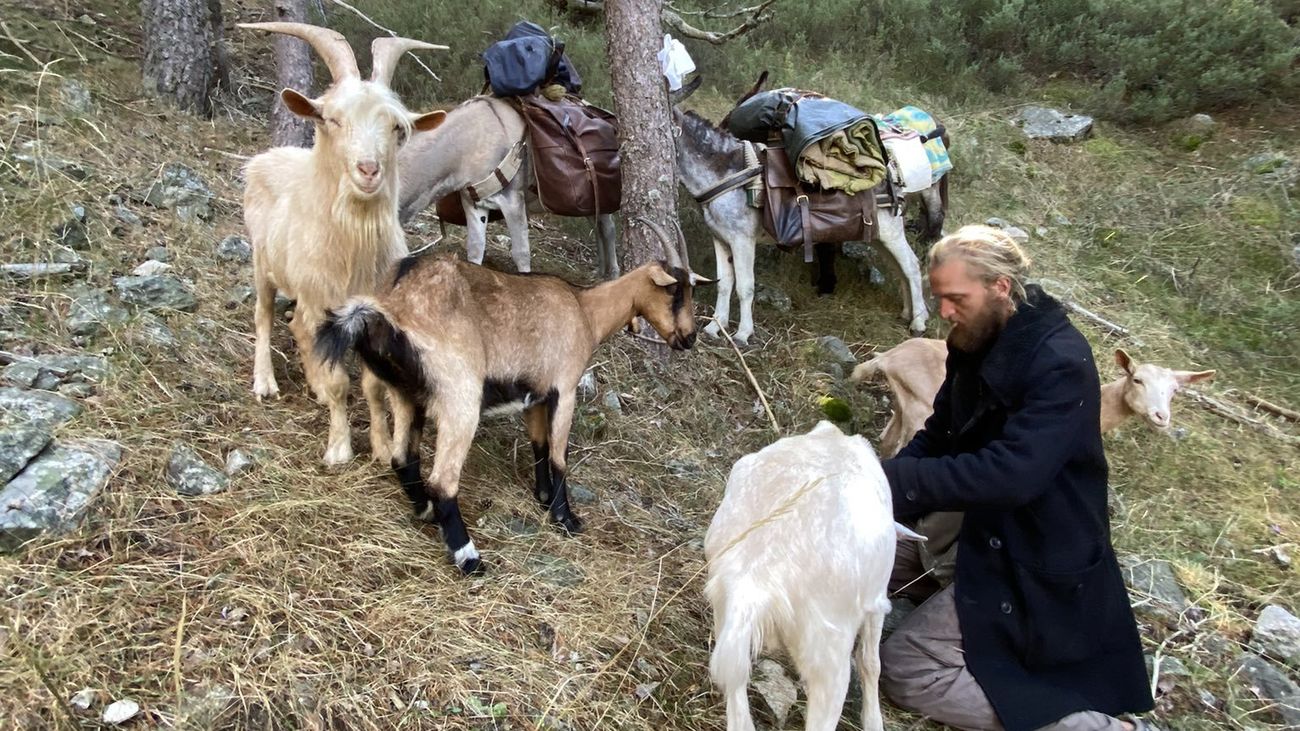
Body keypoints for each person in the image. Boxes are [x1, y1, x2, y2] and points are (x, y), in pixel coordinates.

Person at [878, 225, 1156, 731]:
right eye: (939, 298)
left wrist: (893, 482)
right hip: (966, 532)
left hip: (1032, 556)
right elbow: (941, 433)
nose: (944, 312)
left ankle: (1092, 729)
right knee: (852, 547)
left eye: (955, 298)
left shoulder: (1061, 361)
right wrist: (876, 496)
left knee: (907, 670)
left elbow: (1012, 476)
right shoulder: (974, 336)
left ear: (1000, 287)